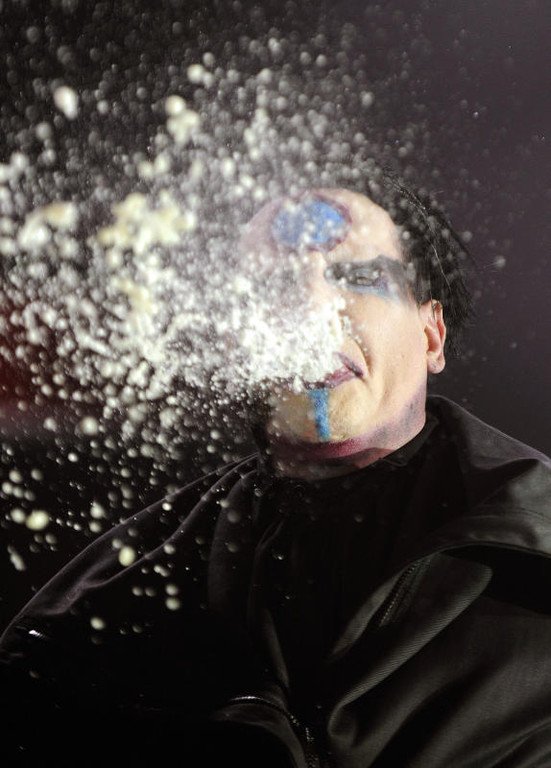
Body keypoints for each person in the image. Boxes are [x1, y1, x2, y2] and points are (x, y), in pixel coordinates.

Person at [1, 175, 551, 768]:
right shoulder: (114, 604)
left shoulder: (538, 552)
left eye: (356, 277)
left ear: (431, 334)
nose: (309, 309)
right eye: (271, 285)